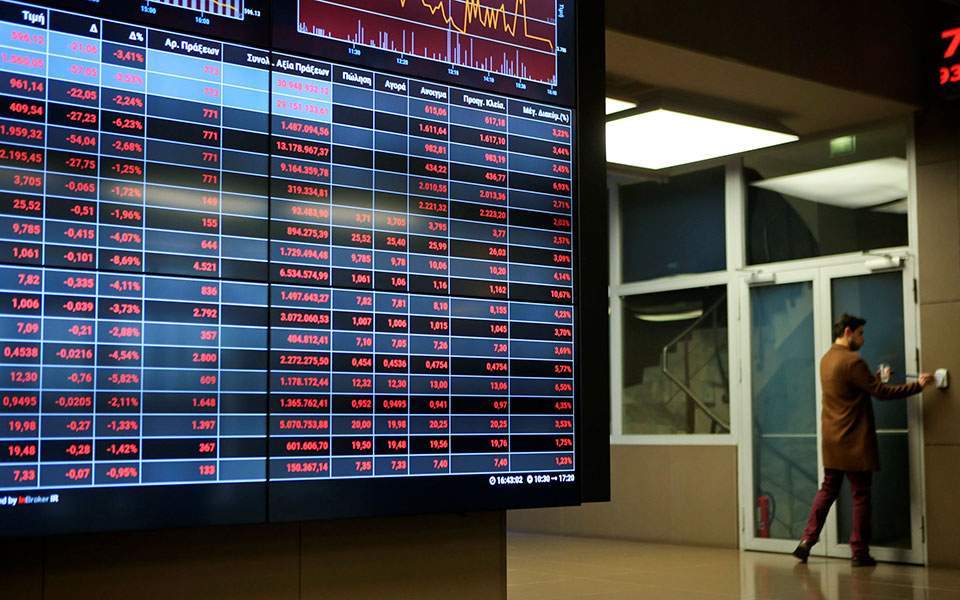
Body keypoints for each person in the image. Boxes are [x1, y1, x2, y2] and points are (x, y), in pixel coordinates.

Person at [793, 313, 933, 567]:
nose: (863, 339)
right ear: (848, 332)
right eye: (860, 334)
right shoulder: (853, 361)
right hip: (854, 441)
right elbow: (880, 394)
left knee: (827, 490)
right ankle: (859, 552)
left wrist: (877, 377)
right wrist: (918, 386)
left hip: (832, 440)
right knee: (860, 494)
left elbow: (854, 390)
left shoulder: (826, 359)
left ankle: (806, 541)